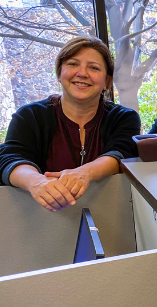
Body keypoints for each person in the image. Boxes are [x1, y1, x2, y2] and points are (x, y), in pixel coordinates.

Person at [0, 36, 141, 212]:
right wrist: (35, 182)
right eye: (73, 64)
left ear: (107, 81)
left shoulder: (123, 117)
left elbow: (121, 154)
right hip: (39, 219)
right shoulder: (30, 116)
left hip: (108, 214)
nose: (82, 73)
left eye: (94, 67)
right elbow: (11, 158)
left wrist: (85, 173)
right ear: (59, 73)